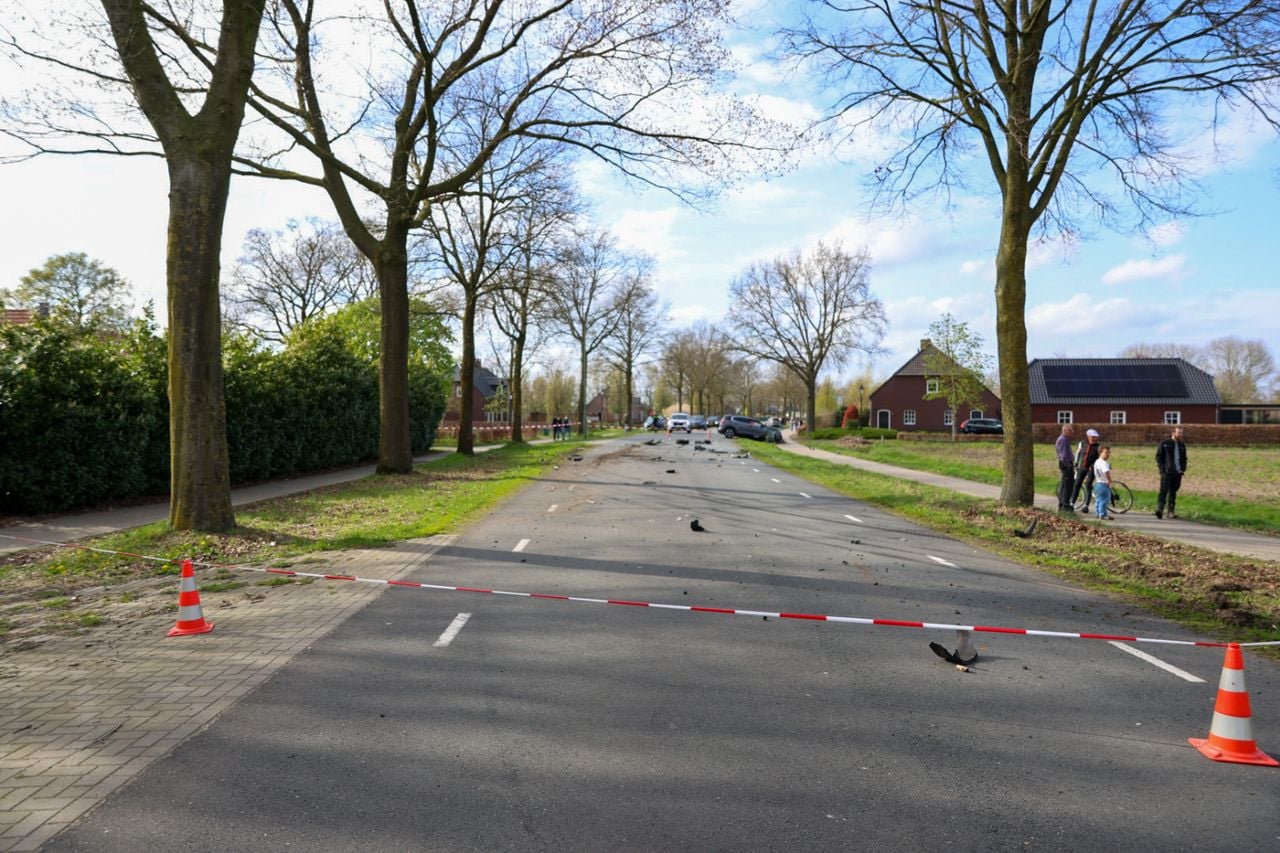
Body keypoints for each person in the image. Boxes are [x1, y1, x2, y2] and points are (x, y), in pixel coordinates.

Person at [1155, 427, 1188, 519]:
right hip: (1167, 472)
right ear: (1173, 433)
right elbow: (1158, 457)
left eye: (1181, 433)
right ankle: (1159, 510)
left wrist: (1183, 469)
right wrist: (1162, 470)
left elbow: (1184, 458)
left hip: (1177, 473)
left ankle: (1170, 511)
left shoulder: (1182, 445)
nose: (1181, 435)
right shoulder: (1165, 444)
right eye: (1179, 433)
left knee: (1173, 492)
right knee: (1163, 491)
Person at [1072, 428, 1102, 506]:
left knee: (1088, 484)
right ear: (1088, 436)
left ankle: (1086, 506)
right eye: (1093, 437)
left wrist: (1093, 466)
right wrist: (1075, 464)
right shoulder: (1082, 443)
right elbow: (1078, 453)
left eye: (1096, 437)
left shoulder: (1098, 446)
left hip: (1091, 469)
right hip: (1082, 467)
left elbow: (1099, 459)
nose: (1095, 438)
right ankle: (1072, 503)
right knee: (1077, 484)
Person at [1055, 423, 1076, 511]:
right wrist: (1069, 465)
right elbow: (1063, 455)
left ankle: (1063, 503)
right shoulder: (1063, 440)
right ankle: (1065, 504)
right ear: (1065, 430)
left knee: (1064, 484)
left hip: (1066, 464)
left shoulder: (1064, 439)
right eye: (1070, 430)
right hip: (1066, 465)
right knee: (1067, 485)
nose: (1072, 432)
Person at [1093, 445, 1115, 520]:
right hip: (1103, 484)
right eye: (1106, 452)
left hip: (1098, 483)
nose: (1108, 454)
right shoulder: (1103, 463)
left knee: (1099, 499)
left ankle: (1098, 513)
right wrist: (1109, 481)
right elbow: (1106, 472)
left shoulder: (1097, 461)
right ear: (1100, 453)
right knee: (1104, 500)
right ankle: (1102, 514)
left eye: (1109, 452)